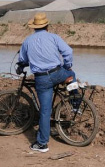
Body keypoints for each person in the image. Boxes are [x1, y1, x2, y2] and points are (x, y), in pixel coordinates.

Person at [16, 13, 78, 153]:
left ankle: (42, 144)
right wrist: (67, 66)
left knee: (45, 111)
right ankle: (75, 103)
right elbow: (68, 52)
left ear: (34, 28)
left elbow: (23, 59)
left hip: (42, 78)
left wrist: (21, 66)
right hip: (58, 73)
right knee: (71, 74)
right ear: (47, 26)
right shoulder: (54, 37)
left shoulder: (27, 41)